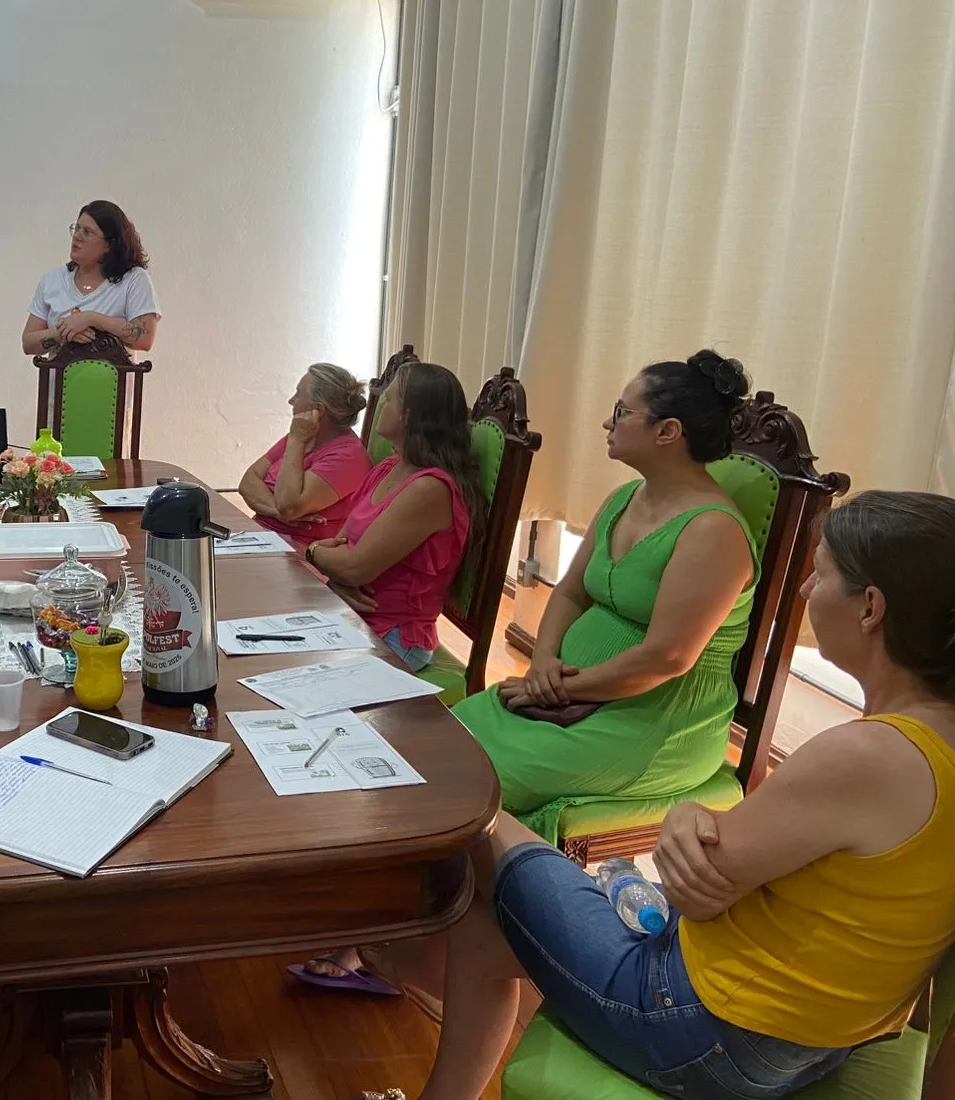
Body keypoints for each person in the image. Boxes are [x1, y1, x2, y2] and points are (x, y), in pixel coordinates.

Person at [365, 489, 955, 1100]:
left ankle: (376, 946)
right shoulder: (934, 745)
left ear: (871, 608)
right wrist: (693, 829)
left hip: (700, 1027)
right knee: (484, 932)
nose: (804, 594)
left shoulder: (870, 756)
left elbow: (696, 887)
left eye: (822, 575)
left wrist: (685, 818)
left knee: (476, 808)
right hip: (806, 1042)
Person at [452, 349, 757, 841]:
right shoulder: (622, 499)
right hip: (563, 698)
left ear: (668, 432)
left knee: (470, 780)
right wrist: (543, 660)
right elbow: (571, 591)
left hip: (652, 723)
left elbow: (667, 658)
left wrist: (553, 688)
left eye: (621, 412)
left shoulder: (712, 531)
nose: (605, 422)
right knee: (441, 739)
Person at [303, 361, 484, 673]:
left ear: (409, 416)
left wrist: (314, 552)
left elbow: (354, 565)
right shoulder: (388, 468)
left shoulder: (430, 489)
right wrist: (337, 573)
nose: (381, 405)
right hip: (353, 614)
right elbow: (344, 550)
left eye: (389, 400)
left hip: (395, 636)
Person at [237, 363, 374, 550]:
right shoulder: (304, 436)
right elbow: (247, 481)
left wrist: (296, 441)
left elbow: (290, 506)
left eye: (298, 394)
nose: (291, 401)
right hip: (263, 537)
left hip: (301, 552)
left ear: (319, 410)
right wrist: (277, 512)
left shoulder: (347, 456)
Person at [21, 200, 160, 356]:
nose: (77, 237)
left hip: (112, 379)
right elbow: (28, 344)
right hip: (59, 380)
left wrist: (91, 319)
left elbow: (145, 338)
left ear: (109, 245)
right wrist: (64, 332)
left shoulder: (134, 279)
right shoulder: (52, 280)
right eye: (77, 228)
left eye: (88, 232)